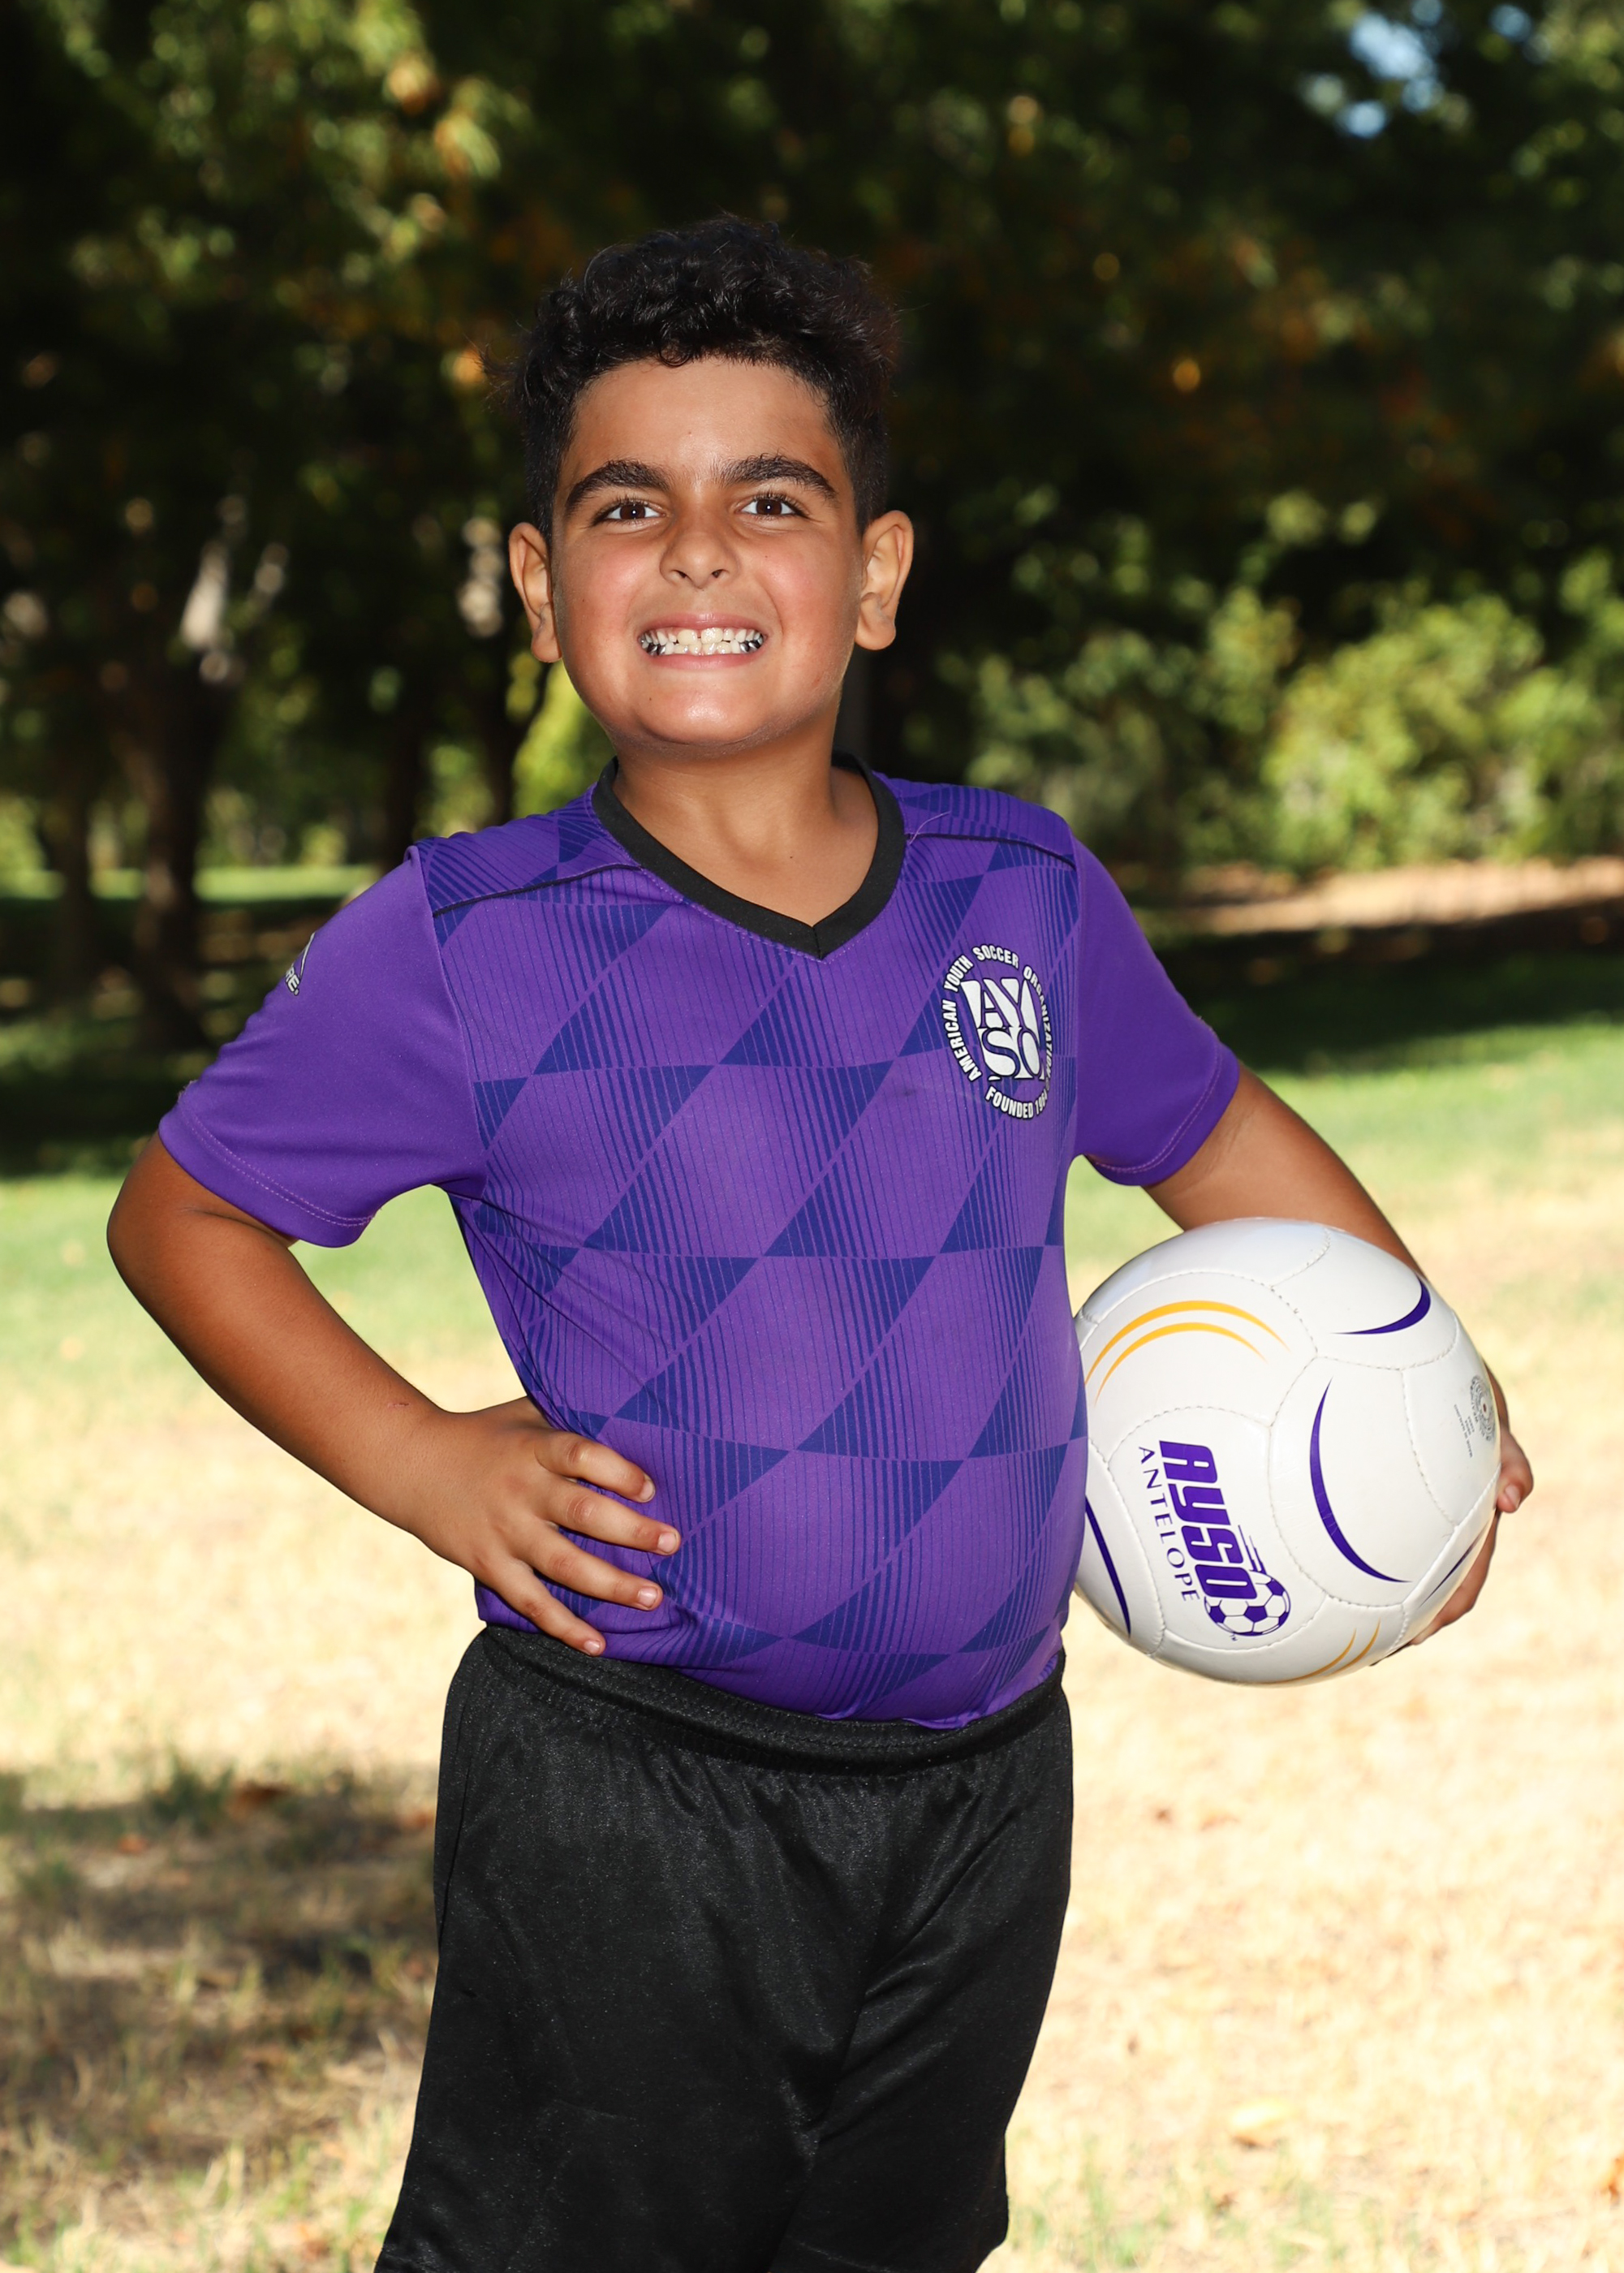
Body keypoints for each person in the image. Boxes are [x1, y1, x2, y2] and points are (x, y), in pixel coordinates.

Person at [108, 218, 1532, 2273]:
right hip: (634, 1788)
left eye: (768, 501)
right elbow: (184, 1213)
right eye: (626, 507)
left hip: (984, 1785)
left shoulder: (1017, 890)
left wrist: (1428, 1392)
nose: (696, 552)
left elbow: (1210, 1129)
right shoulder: (466, 940)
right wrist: (422, 1459)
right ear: (539, 589)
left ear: (871, 574)